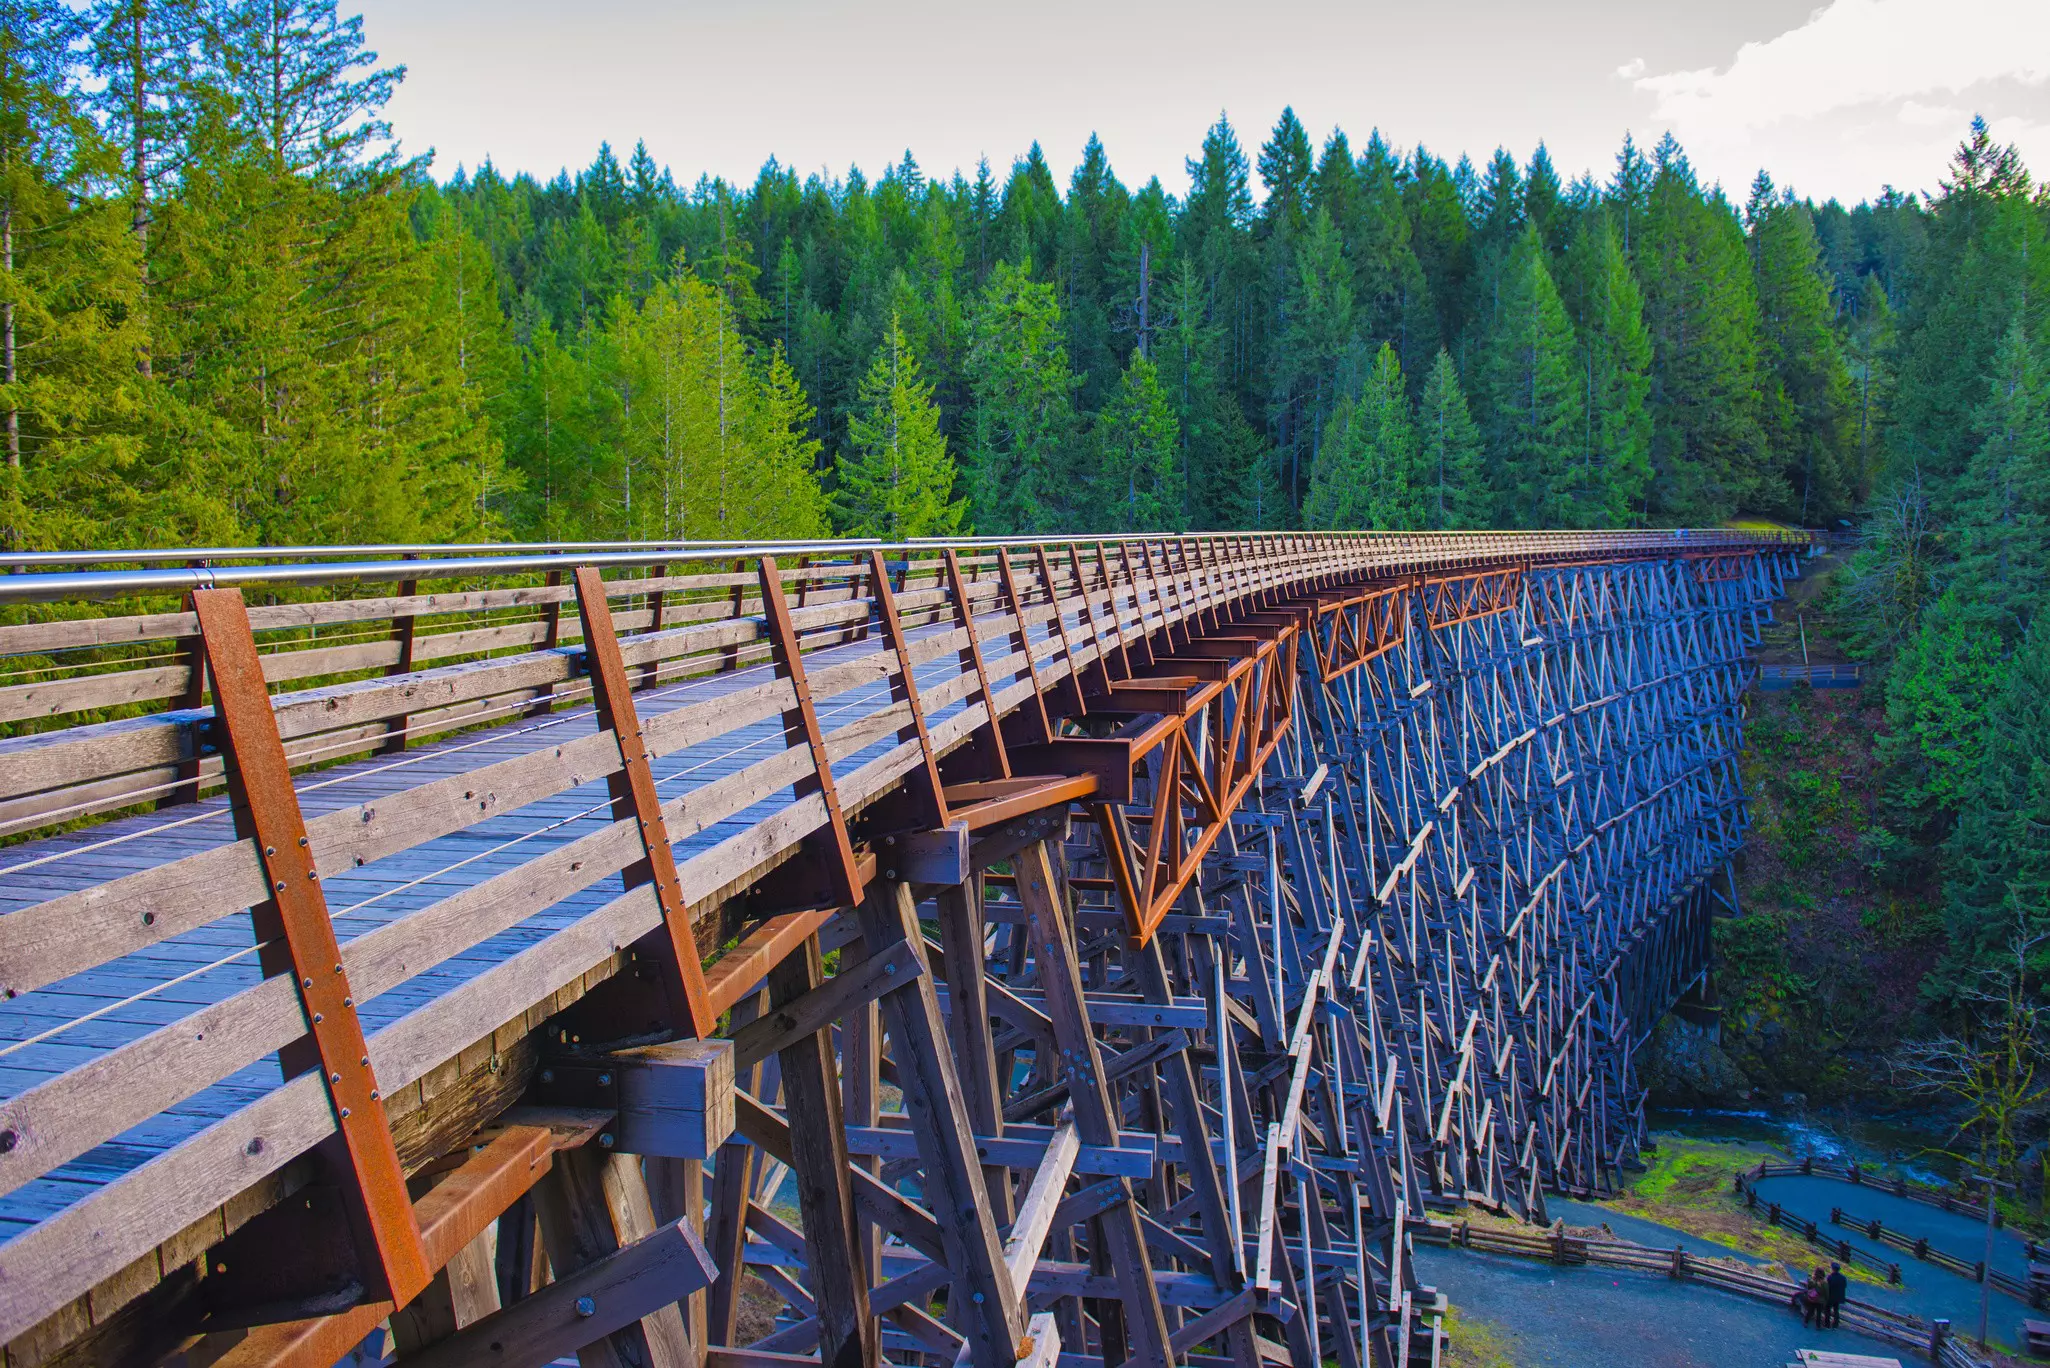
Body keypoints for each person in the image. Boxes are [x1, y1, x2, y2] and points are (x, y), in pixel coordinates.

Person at [1825, 1262, 1847, 1328]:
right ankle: (1835, 1325)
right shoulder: (1843, 1278)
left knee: (1827, 1310)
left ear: (1832, 1269)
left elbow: (1827, 1287)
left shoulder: (1830, 1277)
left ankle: (1827, 1324)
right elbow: (1845, 1286)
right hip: (1839, 1297)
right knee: (1836, 1311)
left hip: (1830, 1297)